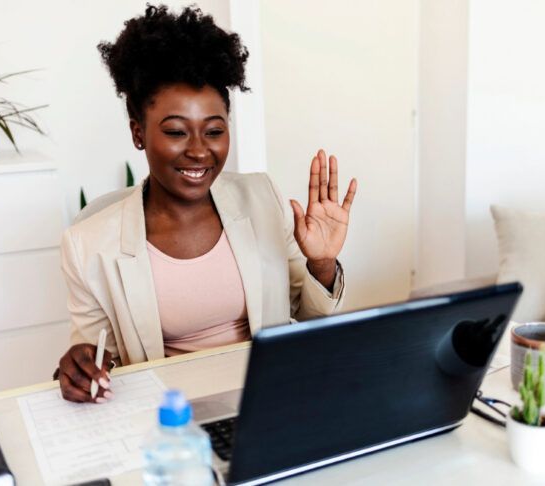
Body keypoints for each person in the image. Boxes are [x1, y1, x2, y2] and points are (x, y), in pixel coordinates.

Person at [55, 5, 357, 403]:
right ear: (138, 133)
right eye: (176, 131)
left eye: (214, 130)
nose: (199, 151)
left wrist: (321, 263)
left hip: (270, 398)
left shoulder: (262, 198)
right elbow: (98, 359)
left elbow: (310, 319)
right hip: (173, 419)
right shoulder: (88, 244)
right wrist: (82, 367)